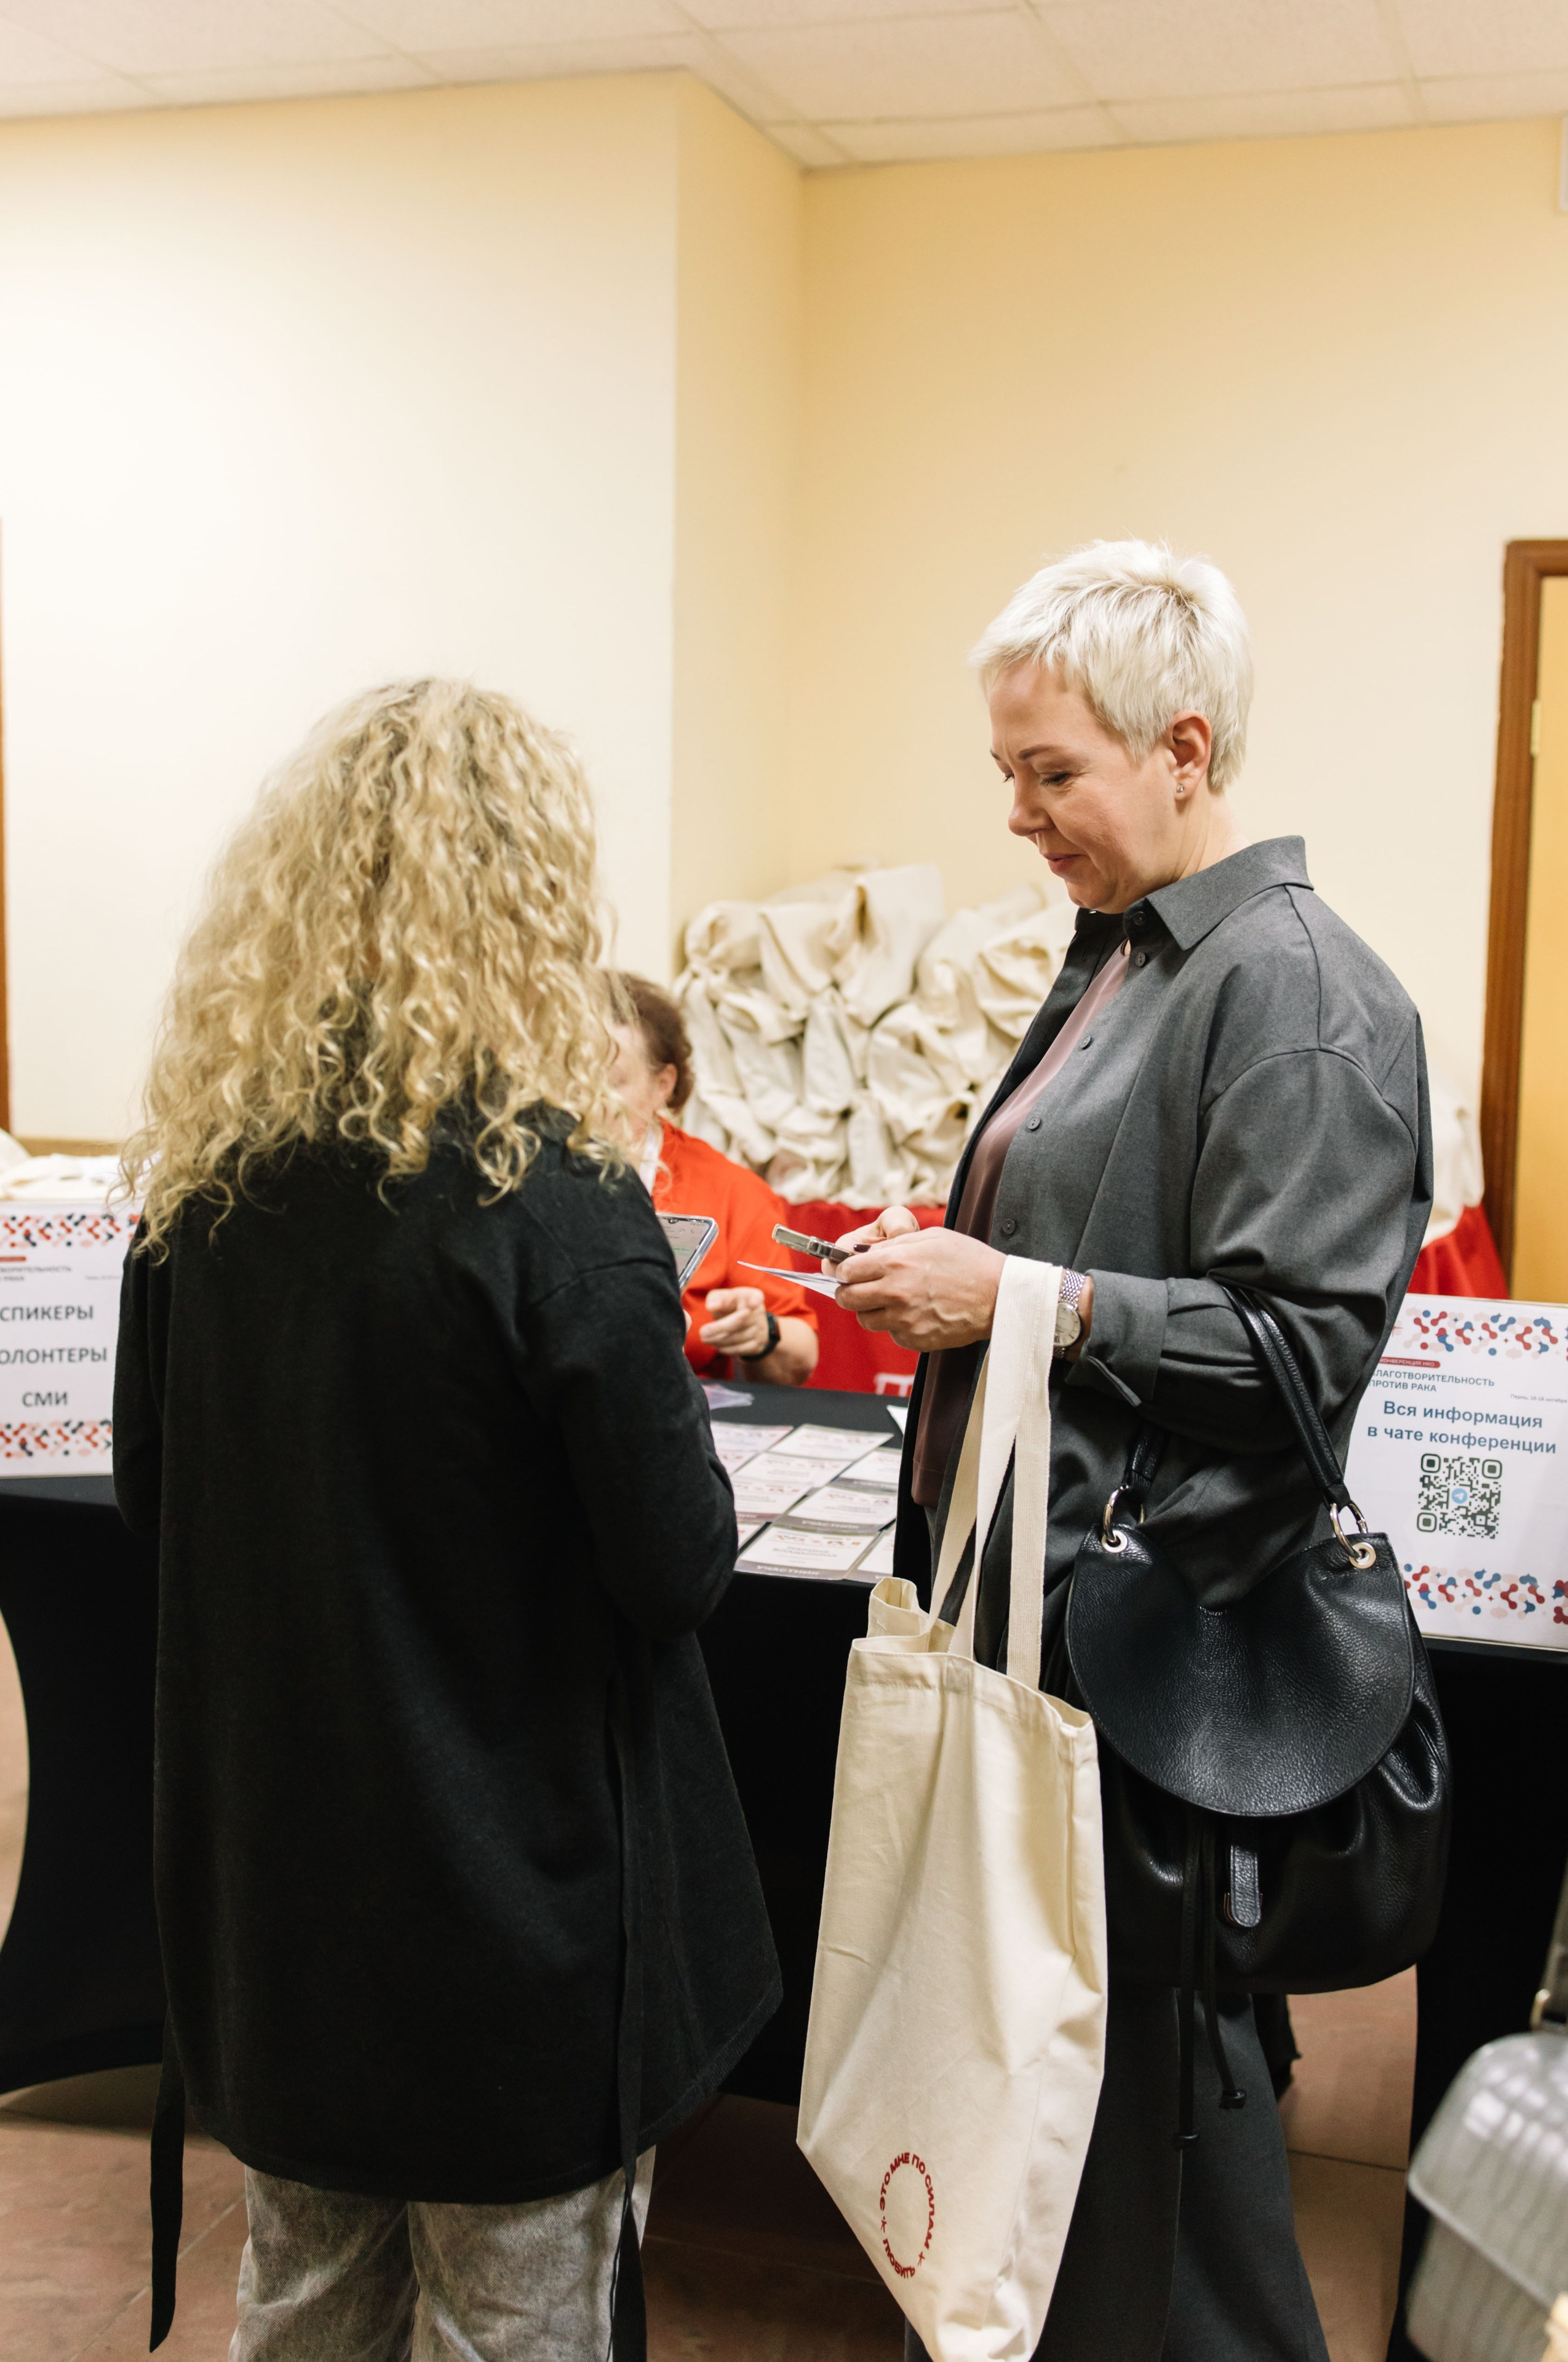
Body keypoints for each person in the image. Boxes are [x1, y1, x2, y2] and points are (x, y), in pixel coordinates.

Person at [113, 681, 779, 2360]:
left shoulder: (197, 1200)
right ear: (536, 907)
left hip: (278, 1901)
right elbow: (674, 1563)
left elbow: (156, 1506)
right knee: (516, 2324)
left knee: (309, 2302)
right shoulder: (565, 1209)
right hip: (514, 1920)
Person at [834, 541, 1432, 2362]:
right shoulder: (1122, 958)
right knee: (1095, 2158)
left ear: (1184, 747)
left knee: (1170, 2173)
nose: (1013, 812)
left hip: (1153, 1677)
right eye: (1004, 771)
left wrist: (1021, 1292)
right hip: (1051, 1649)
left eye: (1050, 771)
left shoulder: (1300, 997)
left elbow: (1294, 1354)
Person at [610, 972, 819, 1386]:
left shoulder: (729, 1192)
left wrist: (761, 1334)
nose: (581, 1100)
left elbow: (801, 1356)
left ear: (662, 1086)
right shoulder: (514, 1174)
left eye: (611, 1083)